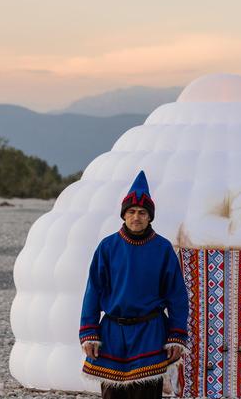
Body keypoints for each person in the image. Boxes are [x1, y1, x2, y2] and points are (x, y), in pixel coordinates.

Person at [79, 170, 189, 399]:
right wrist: (89, 332)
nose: (136, 217)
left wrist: (176, 335)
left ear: (149, 217)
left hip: (150, 331)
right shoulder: (108, 247)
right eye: (131, 212)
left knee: (146, 394)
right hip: (112, 332)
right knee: (112, 394)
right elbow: (93, 291)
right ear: (123, 215)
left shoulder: (162, 249)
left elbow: (176, 295)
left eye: (141, 212)